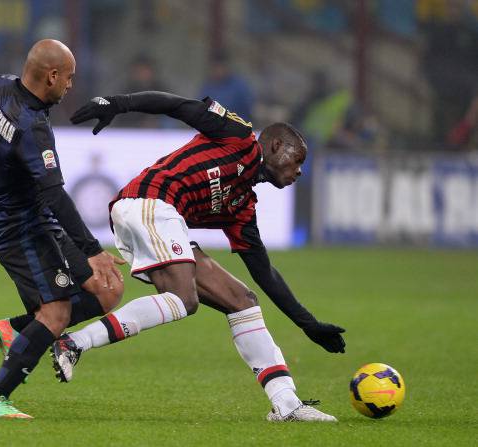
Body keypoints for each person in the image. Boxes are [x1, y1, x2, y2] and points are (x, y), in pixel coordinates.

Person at [51, 91, 345, 422]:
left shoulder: (242, 206)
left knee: (242, 301)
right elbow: (180, 106)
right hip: (149, 201)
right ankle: (75, 343)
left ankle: (286, 403)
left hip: (159, 218)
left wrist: (308, 324)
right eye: (297, 159)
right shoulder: (238, 137)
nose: (299, 171)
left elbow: (265, 273)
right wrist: (119, 104)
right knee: (184, 299)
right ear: (276, 146)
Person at [0, 39, 124, 419]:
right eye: (69, 78)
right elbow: (56, 194)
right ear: (52, 76)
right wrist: (92, 249)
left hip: (38, 220)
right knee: (56, 312)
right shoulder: (32, 127)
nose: (71, 85)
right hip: (17, 229)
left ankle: (17, 330)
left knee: (107, 288)